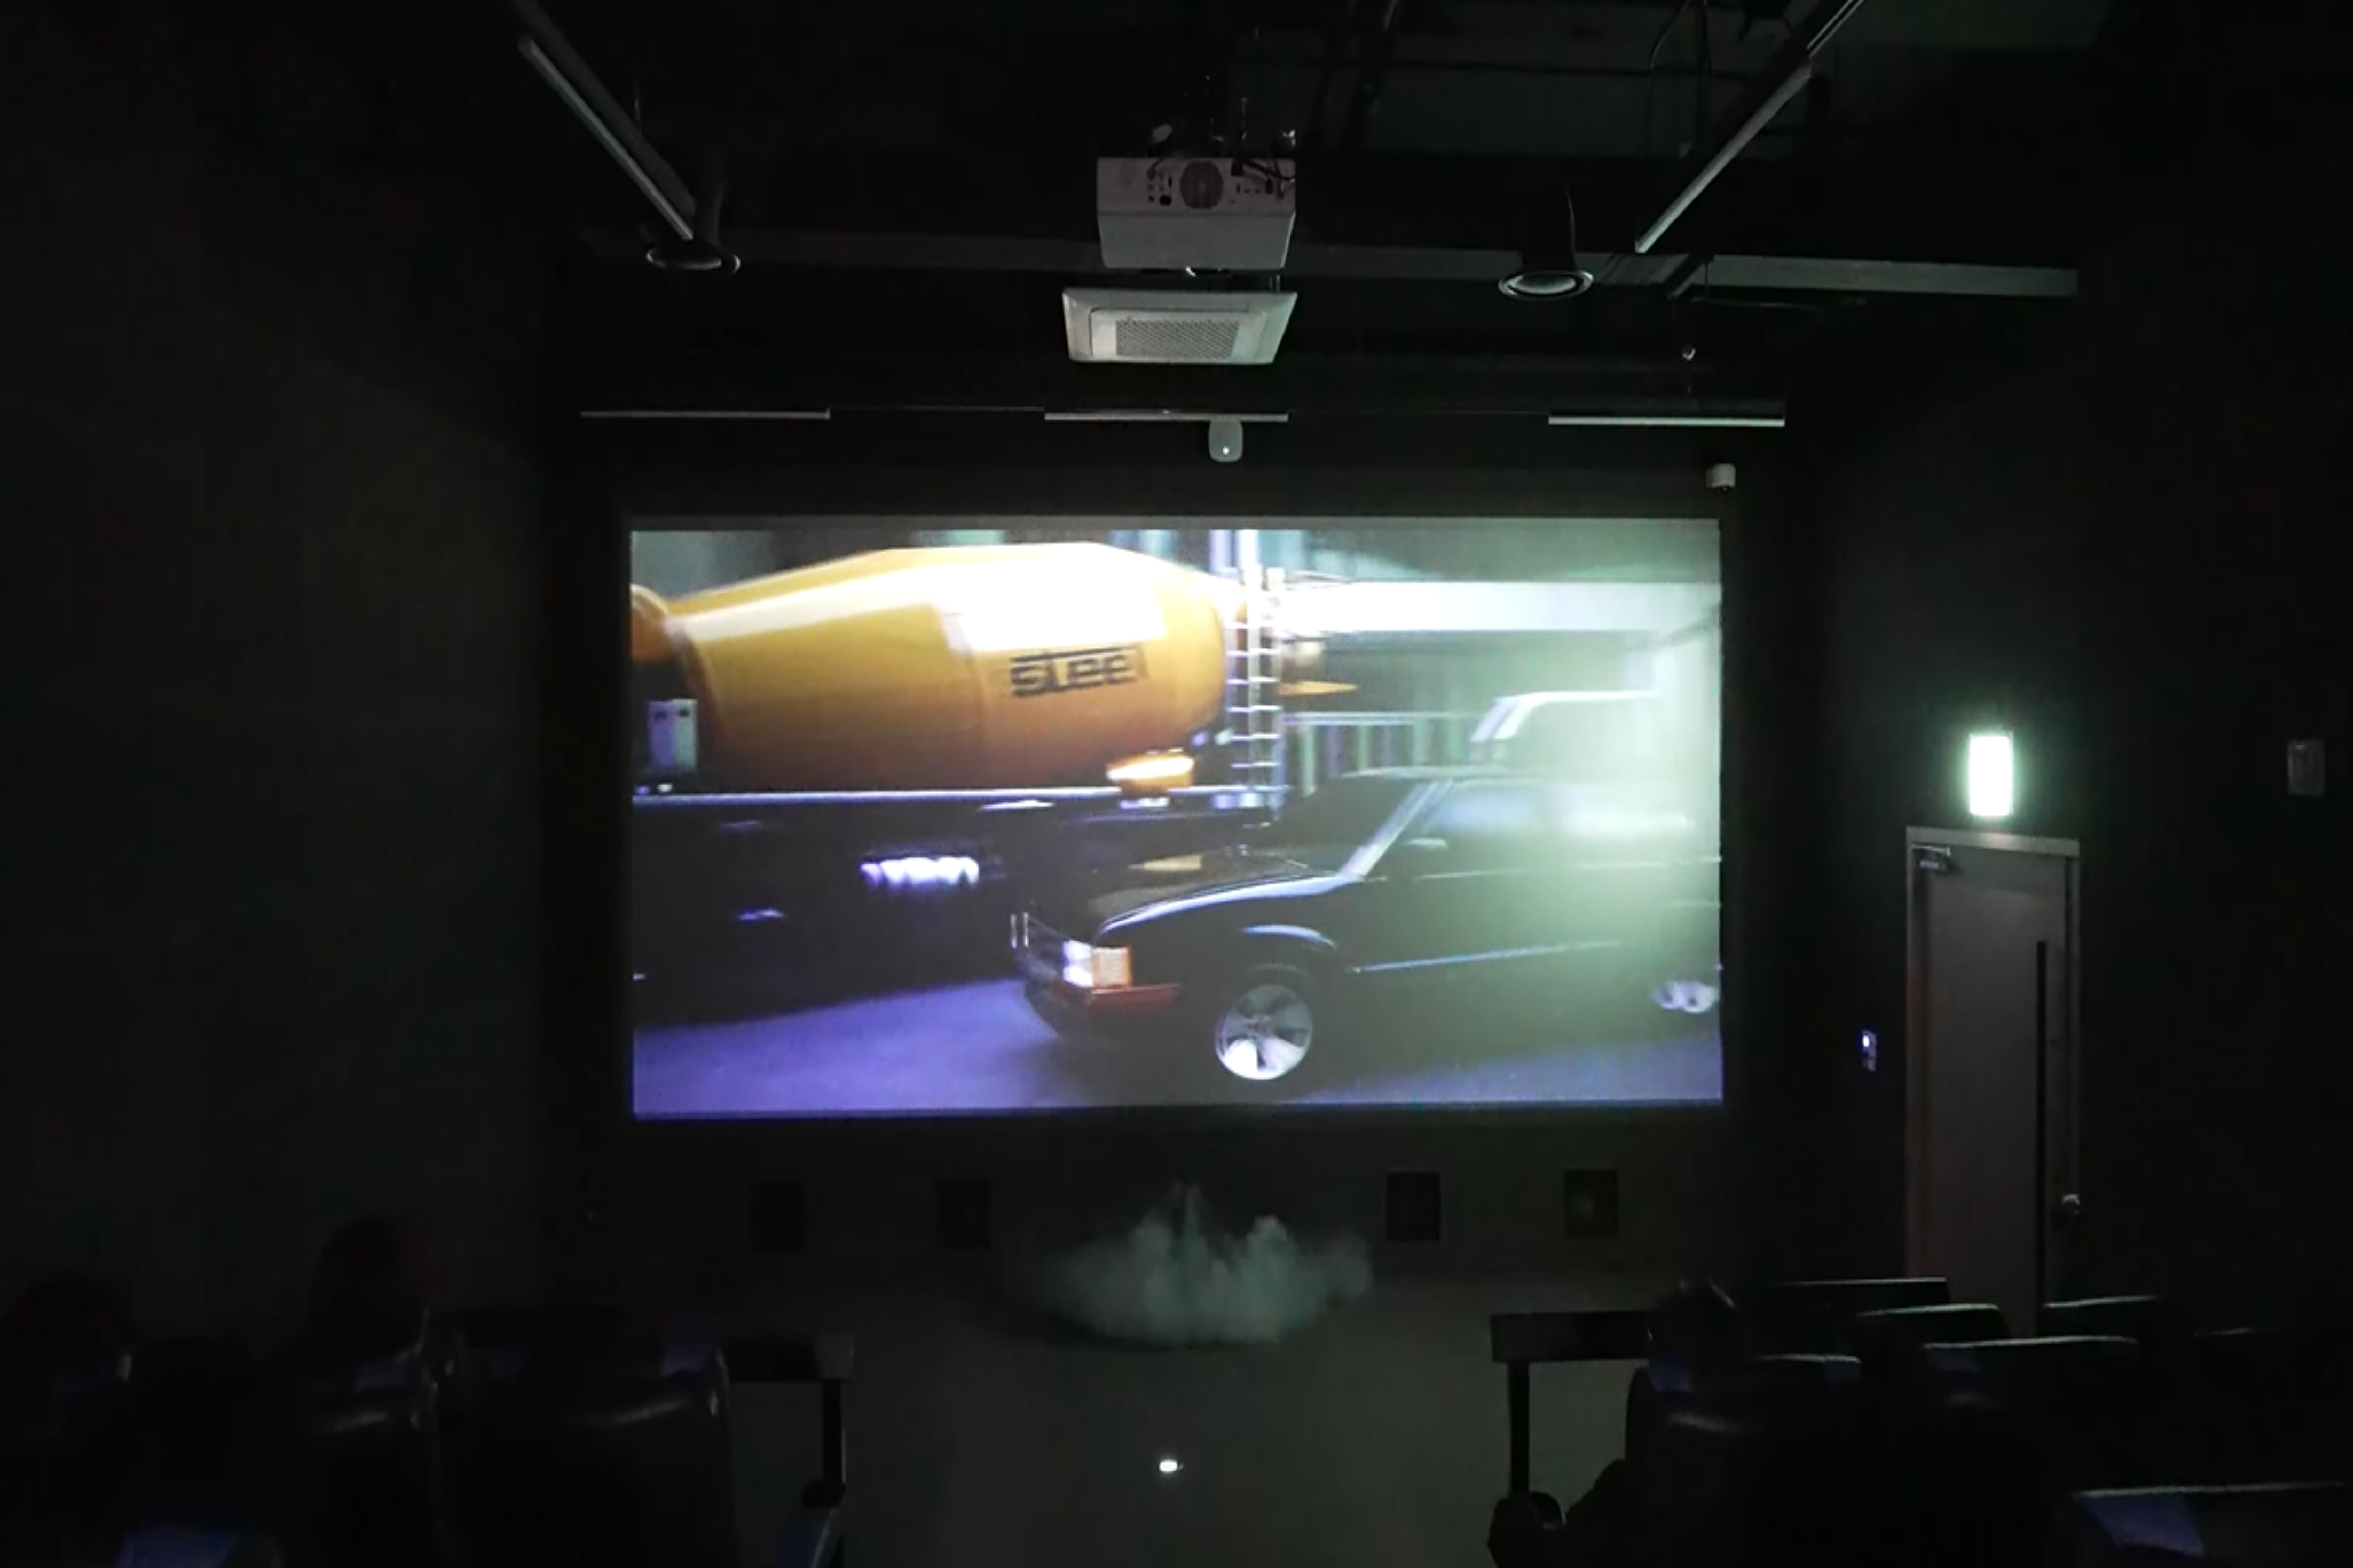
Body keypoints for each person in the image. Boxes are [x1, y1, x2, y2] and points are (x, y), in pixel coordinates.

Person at [1488, 1280, 1742, 1568]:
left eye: (1658, 1344)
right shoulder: (1769, 1476)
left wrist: (1517, 1520)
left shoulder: (1635, 1493)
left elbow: (1540, 1555)